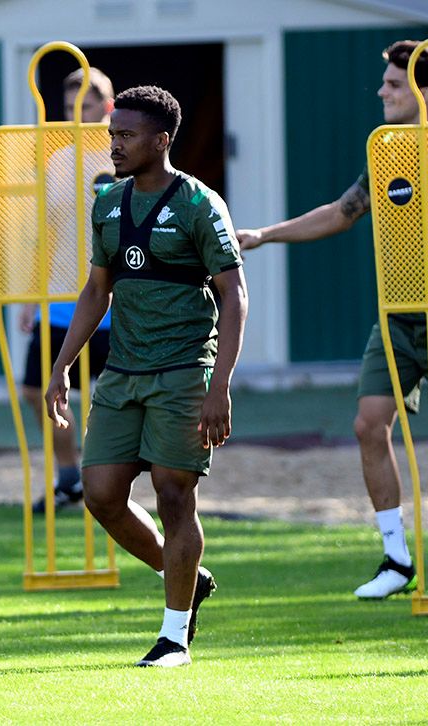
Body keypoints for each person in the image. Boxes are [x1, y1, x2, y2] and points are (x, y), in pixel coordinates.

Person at [236, 41, 428, 599]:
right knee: (369, 425)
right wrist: (264, 236)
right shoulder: (386, 151)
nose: (381, 92)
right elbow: (342, 213)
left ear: (426, 92)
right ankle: (396, 560)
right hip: (398, 316)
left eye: (393, 84)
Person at [45, 85, 247, 667]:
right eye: (112, 134)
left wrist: (219, 384)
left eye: (126, 135)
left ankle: (174, 637)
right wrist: (62, 366)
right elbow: (95, 290)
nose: (113, 145)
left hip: (184, 372)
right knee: (102, 495)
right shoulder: (106, 203)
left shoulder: (199, 205)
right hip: (122, 373)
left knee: (173, 495)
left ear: (161, 141)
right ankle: (185, 576)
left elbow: (234, 295)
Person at [20, 67, 115, 513]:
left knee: (111, 396)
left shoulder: (122, 160)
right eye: (69, 103)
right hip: (58, 300)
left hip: (114, 304)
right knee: (37, 391)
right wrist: (29, 296)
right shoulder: (56, 162)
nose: (77, 112)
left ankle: (110, 485)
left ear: (107, 108)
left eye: (88, 103)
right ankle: (70, 478)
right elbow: (43, 233)